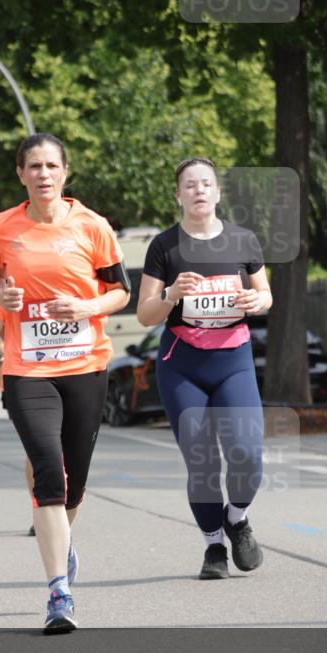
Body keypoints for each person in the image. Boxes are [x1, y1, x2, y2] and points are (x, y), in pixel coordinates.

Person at [0, 133, 130, 633]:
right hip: (27, 367)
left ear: (65, 172)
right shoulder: (4, 226)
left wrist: (87, 306)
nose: (43, 174)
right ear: (20, 174)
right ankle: (58, 593)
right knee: (48, 471)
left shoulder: (93, 226)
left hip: (84, 364)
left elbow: (120, 292)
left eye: (51, 165)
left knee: (75, 483)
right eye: (33, 166)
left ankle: (63, 546)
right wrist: (2, 292)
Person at [137, 157, 272, 580]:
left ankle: (238, 518)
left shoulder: (243, 240)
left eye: (206, 183)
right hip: (183, 365)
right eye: (189, 184)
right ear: (178, 194)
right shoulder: (164, 246)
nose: (198, 190)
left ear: (217, 192)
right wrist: (172, 294)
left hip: (233, 360)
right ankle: (214, 546)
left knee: (247, 455)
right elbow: (144, 314)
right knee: (203, 463)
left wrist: (258, 302)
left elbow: (265, 293)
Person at [0, 302, 35, 533]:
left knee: (66, 448)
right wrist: (10, 352)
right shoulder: (7, 291)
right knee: (37, 448)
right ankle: (41, 509)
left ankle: (63, 506)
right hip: (20, 376)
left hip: (67, 373)